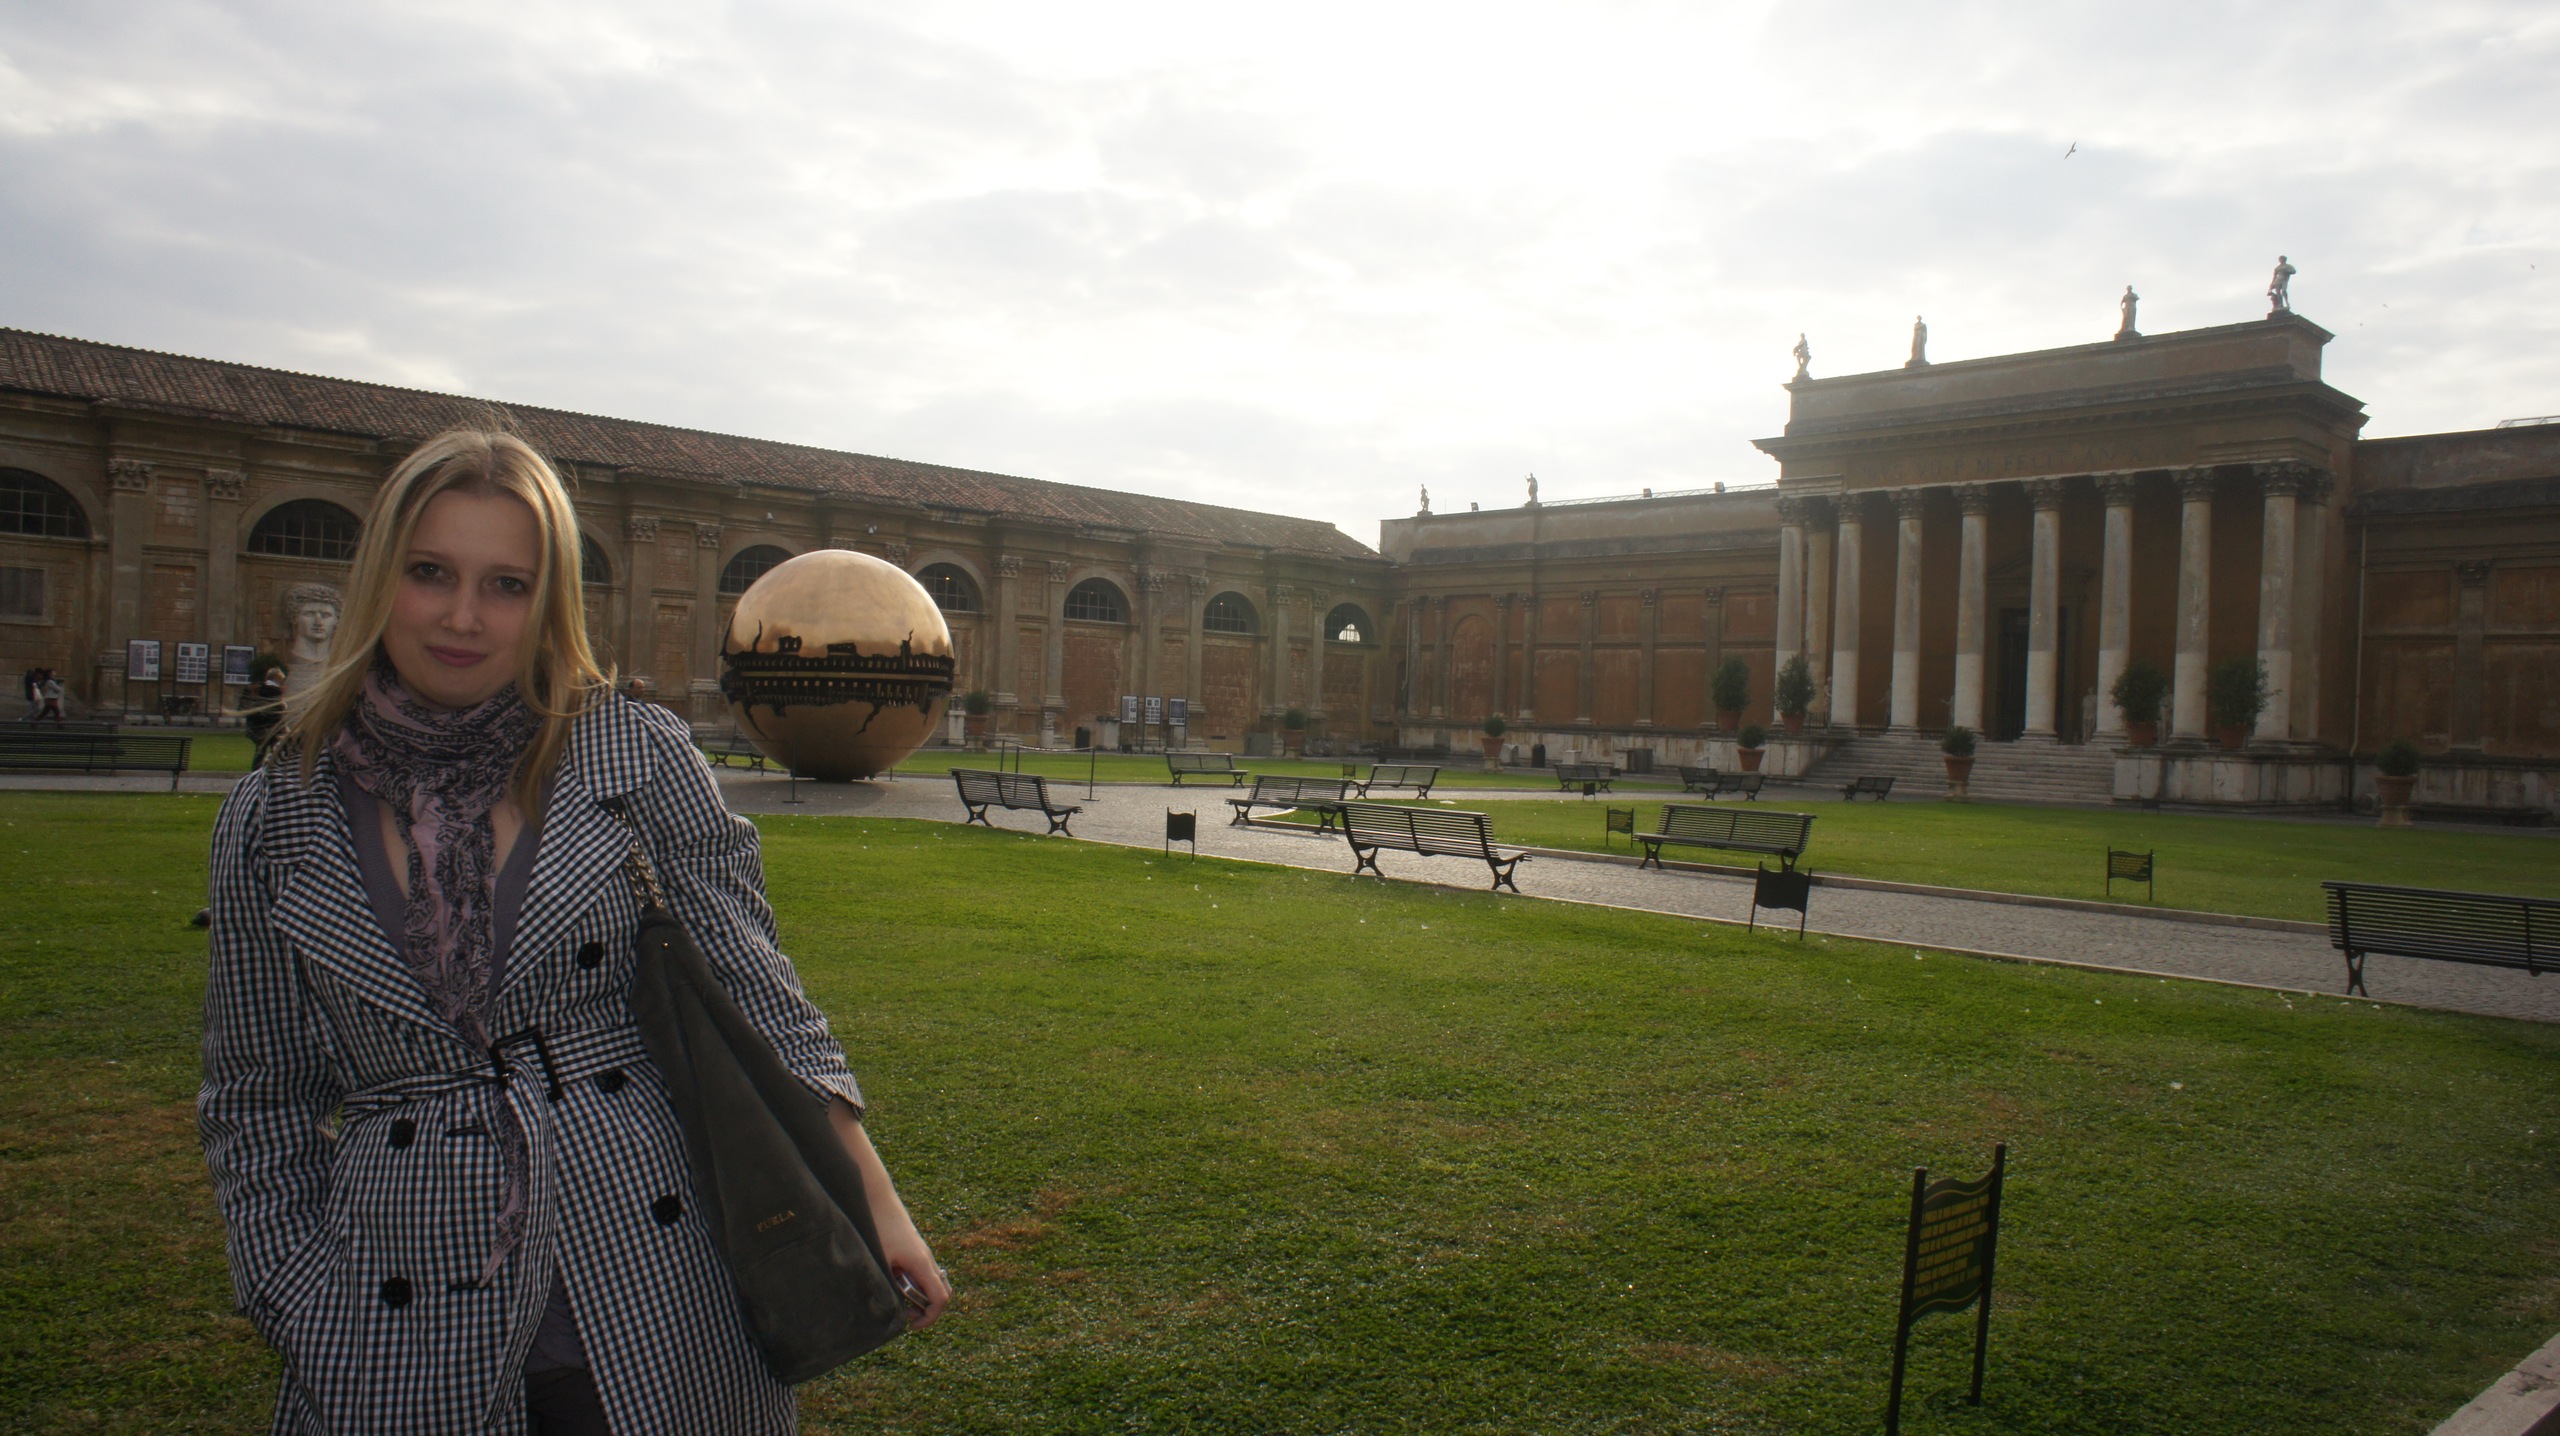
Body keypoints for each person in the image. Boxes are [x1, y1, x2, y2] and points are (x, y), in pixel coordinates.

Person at [199, 430, 949, 1435]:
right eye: (431, 573)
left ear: (549, 601)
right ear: (380, 577)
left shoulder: (631, 757)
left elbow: (758, 994)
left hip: (654, 1279)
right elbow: (256, 1095)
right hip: (395, 1299)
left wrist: (873, 1201)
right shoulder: (274, 817)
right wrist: (295, 1294)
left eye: (506, 585)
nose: (463, 616)